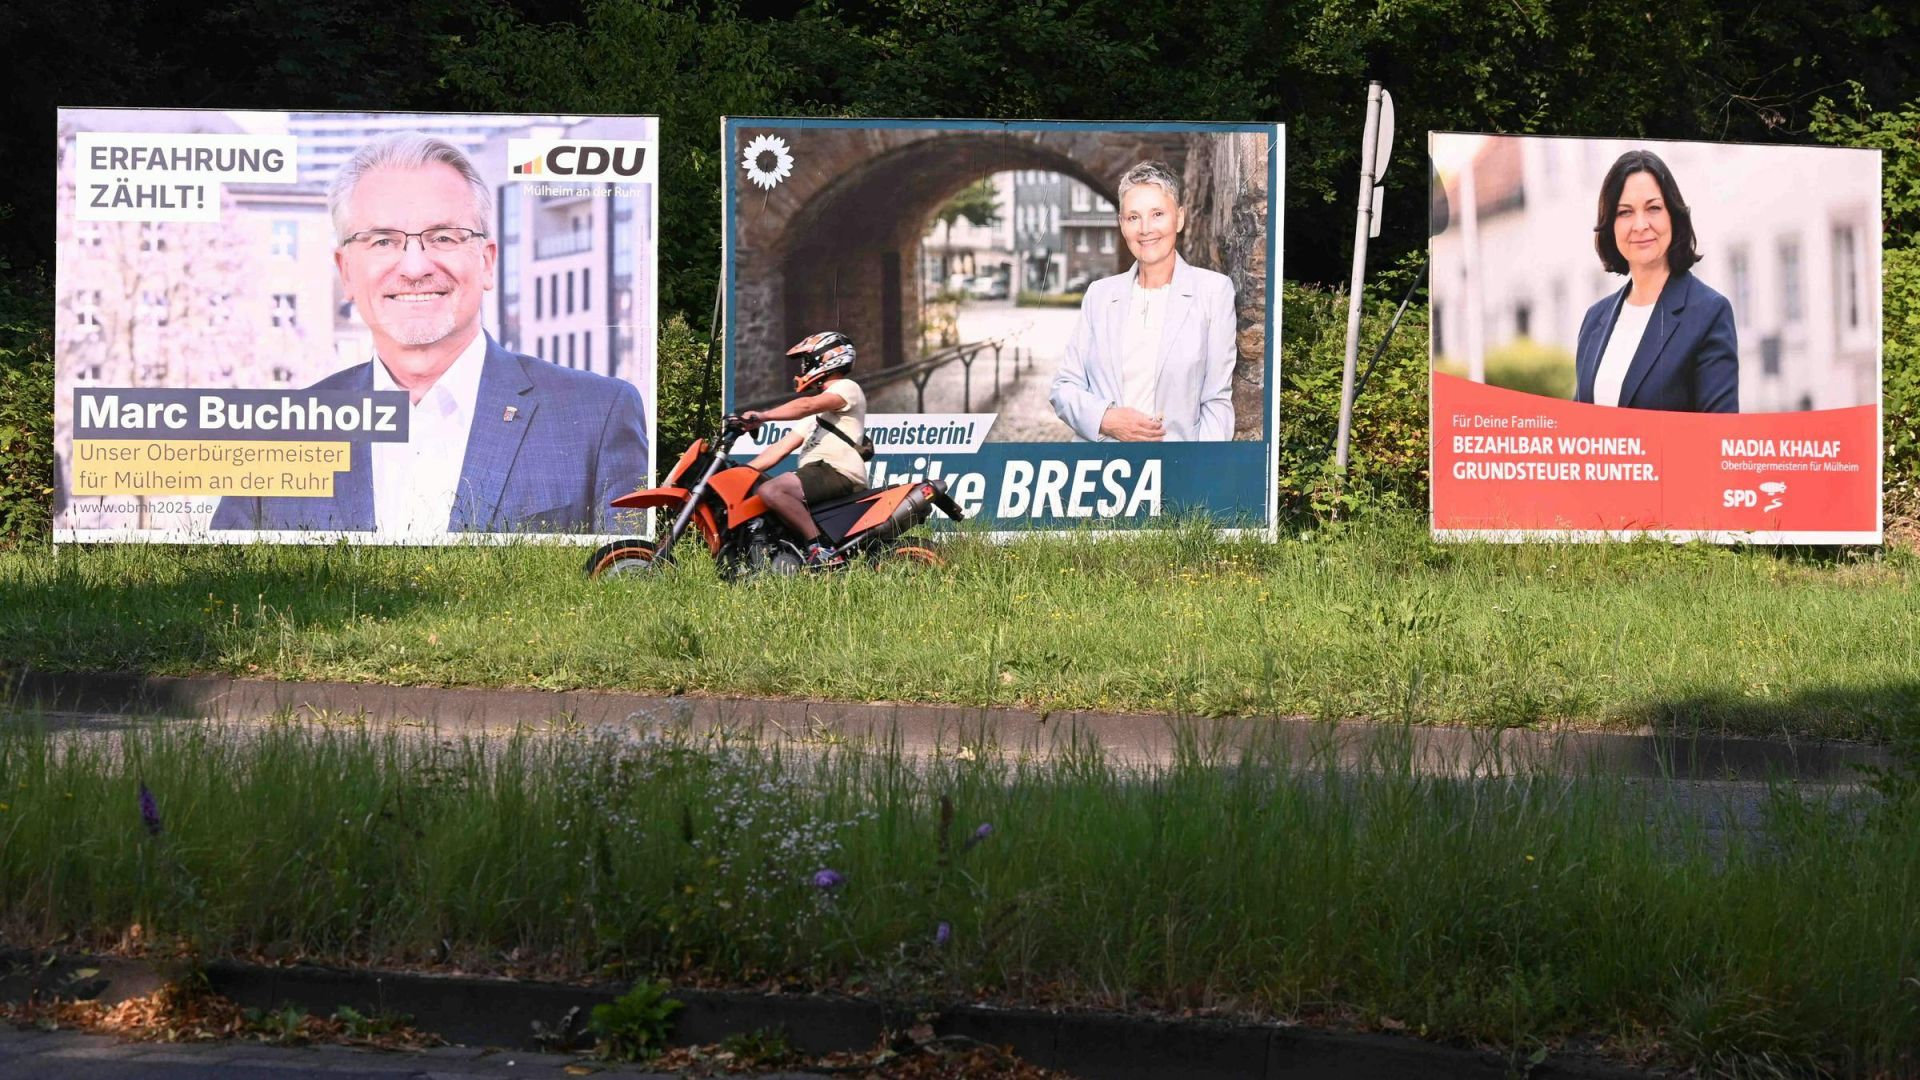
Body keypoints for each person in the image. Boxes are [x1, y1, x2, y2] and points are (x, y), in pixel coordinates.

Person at [212, 132, 649, 535]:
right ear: (345, 271)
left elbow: (630, 591)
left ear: (487, 262)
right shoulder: (278, 436)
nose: (416, 267)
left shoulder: (599, 417)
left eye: (443, 237)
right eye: (382, 241)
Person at [1049, 160, 1237, 442]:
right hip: (1101, 469)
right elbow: (1064, 388)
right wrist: (1105, 419)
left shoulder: (1213, 291)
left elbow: (1216, 402)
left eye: (1158, 214)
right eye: (1133, 217)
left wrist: (1201, 472)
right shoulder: (1099, 295)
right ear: (1122, 225)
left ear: (1180, 218)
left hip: (1175, 471)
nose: (1145, 228)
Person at [1573, 148, 1738, 413]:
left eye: (1653, 208)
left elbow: (1718, 436)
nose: (1640, 225)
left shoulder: (1708, 313)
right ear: (1610, 224)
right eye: (1625, 212)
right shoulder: (1594, 320)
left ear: (1673, 215)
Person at [739, 331, 868, 569]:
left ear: (826, 359)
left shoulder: (847, 388)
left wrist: (763, 416)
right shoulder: (817, 417)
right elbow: (779, 449)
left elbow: (808, 404)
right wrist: (741, 473)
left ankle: (821, 549)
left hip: (836, 472)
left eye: (807, 361)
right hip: (819, 473)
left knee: (773, 490)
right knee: (761, 491)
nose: (803, 368)